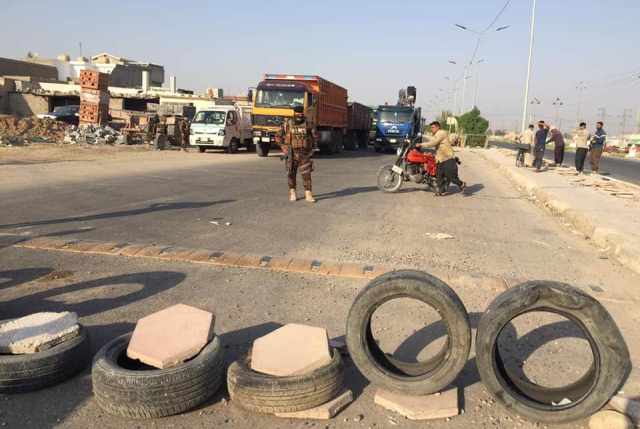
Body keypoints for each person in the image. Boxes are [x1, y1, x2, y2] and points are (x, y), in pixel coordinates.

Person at [418, 121, 465, 196]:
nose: (431, 129)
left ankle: (461, 184)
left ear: (438, 127)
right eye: (431, 128)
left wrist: (421, 144)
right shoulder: (436, 134)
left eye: (433, 127)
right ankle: (442, 191)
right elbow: (435, 144)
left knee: (452, 177)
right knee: (439, 176)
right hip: (440, 159)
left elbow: (433, 143)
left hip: (448, 158)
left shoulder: (441, 133)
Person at [280, 107, 315, 202]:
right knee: (291, 174)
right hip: (291, 153)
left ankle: (308, 194)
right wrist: (284, 148)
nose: (300, 115)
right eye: (297, 114)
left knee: (306, 175)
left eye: (301, 114)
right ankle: (292, 193)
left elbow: (314, 136)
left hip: (304, 153)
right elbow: (279, 136)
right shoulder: (287, 124)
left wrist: (312, 149)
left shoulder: (308, 124)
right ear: (294, 113)